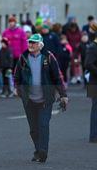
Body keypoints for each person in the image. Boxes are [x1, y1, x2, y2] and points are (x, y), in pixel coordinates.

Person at [14, 33, 68, 163]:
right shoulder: (23, 57)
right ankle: (38, 150)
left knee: (43, 125)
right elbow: (17, 76)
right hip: (29, 99)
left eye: (33, 42)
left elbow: (57, 77)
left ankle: (43, 151)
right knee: (33, 128)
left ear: (40, 45)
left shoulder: (49, 57)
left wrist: (63, 95)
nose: (30, 45)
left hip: (46, 98)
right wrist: (18, 89)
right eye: (30, 42)